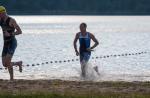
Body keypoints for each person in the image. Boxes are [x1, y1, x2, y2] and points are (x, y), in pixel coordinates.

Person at [0, 6, 22, 80]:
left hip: (12, 43)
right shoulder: (1, 20)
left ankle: (11, 79)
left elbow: (20, 31)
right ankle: (18, 63)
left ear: (3, 13)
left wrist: (11, 34)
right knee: (4, 64)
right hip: (6, 44)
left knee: (8, 61)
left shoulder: (11, 20)